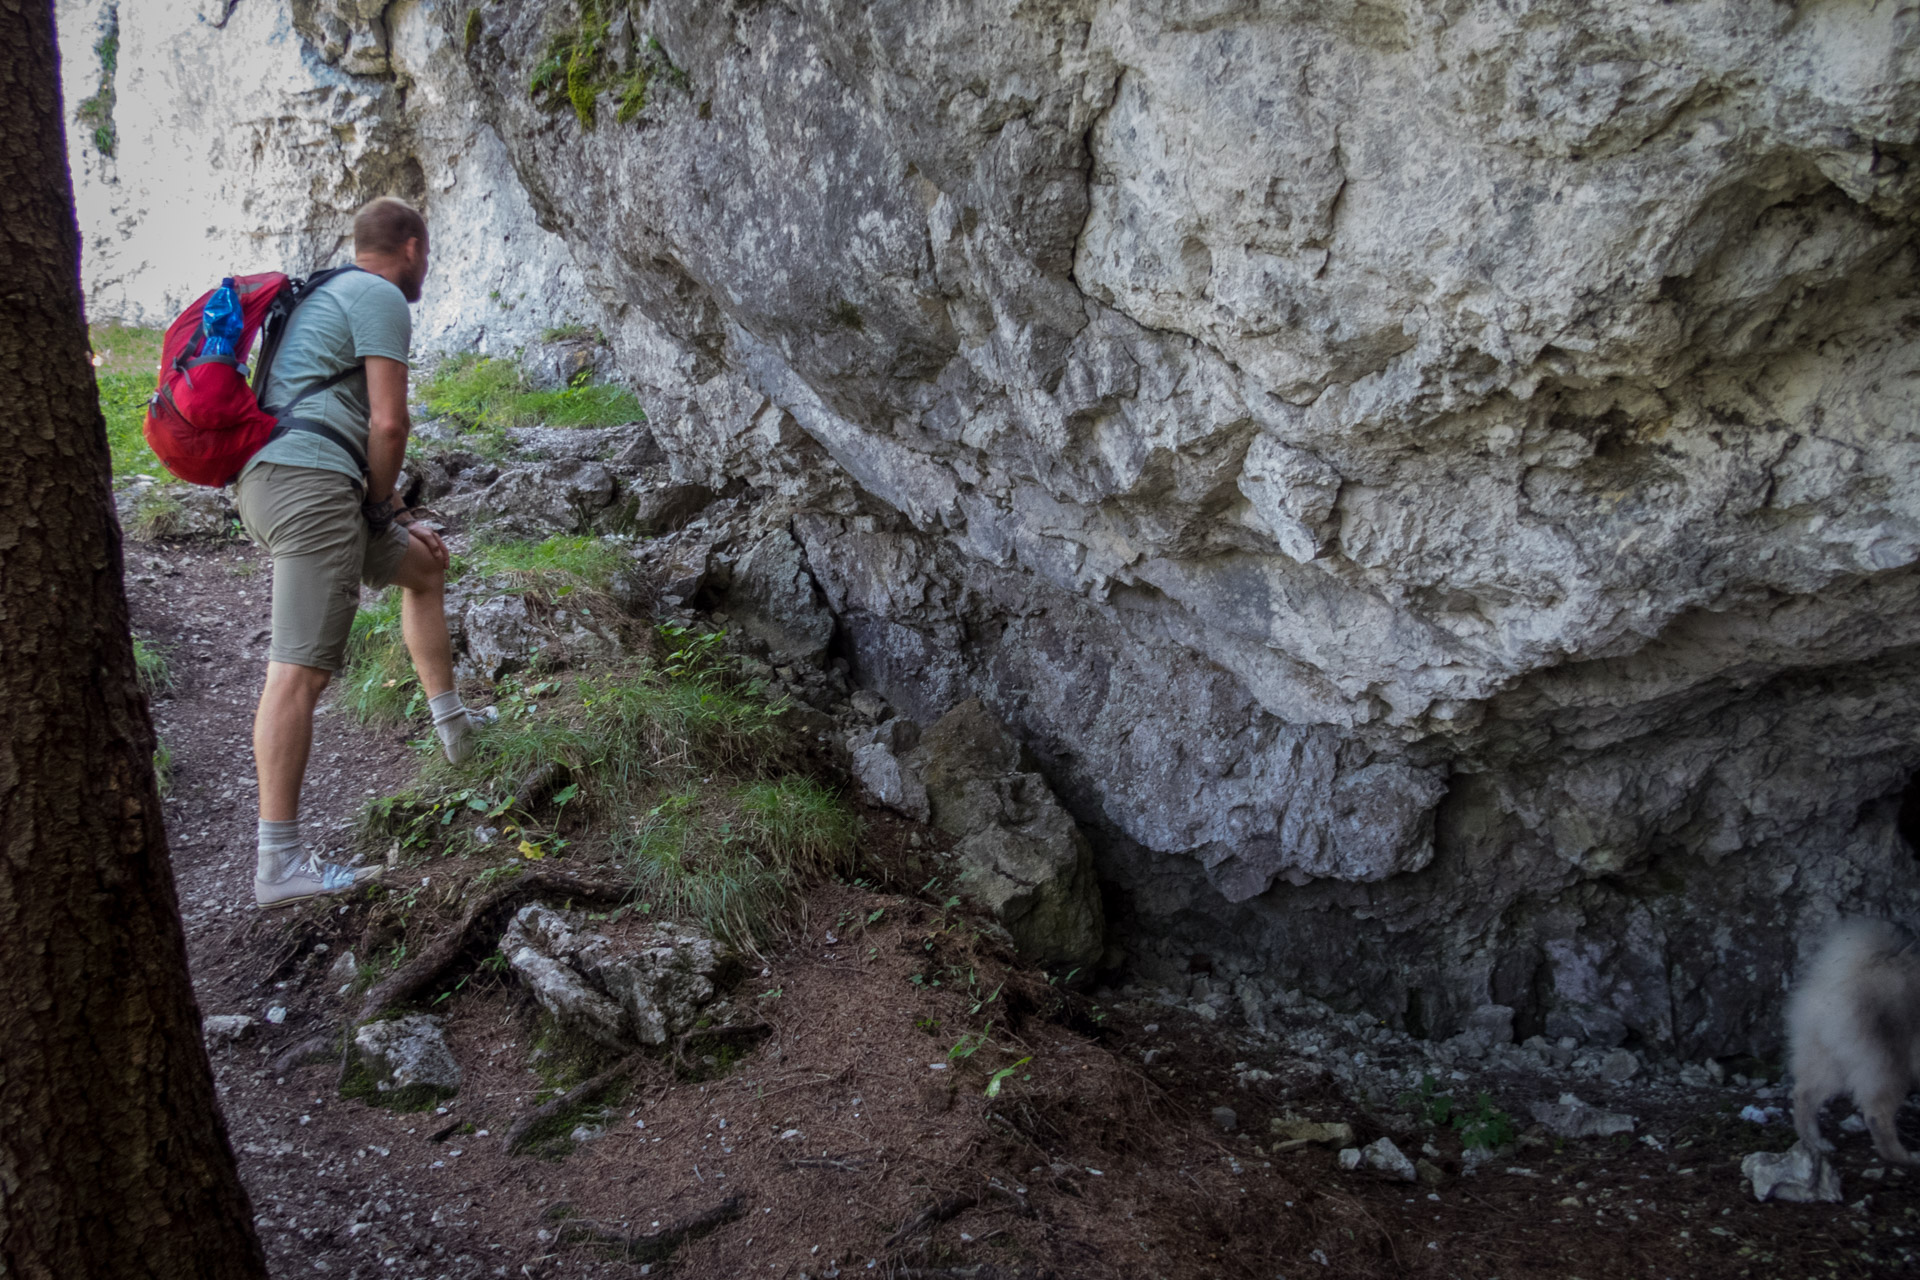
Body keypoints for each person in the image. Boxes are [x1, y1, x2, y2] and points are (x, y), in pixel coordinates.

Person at [233, 196, 478, 908]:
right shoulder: (377, 295)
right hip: (312, 487)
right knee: (298, 673)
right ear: (410, 247)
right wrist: (384, 502)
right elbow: (389, 424)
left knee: (424, 567)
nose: (425, 268)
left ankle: (457, 733)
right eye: (425, 255)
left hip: (296, 478)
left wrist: (392, 515)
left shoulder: (324, 291)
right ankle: (278, 865)